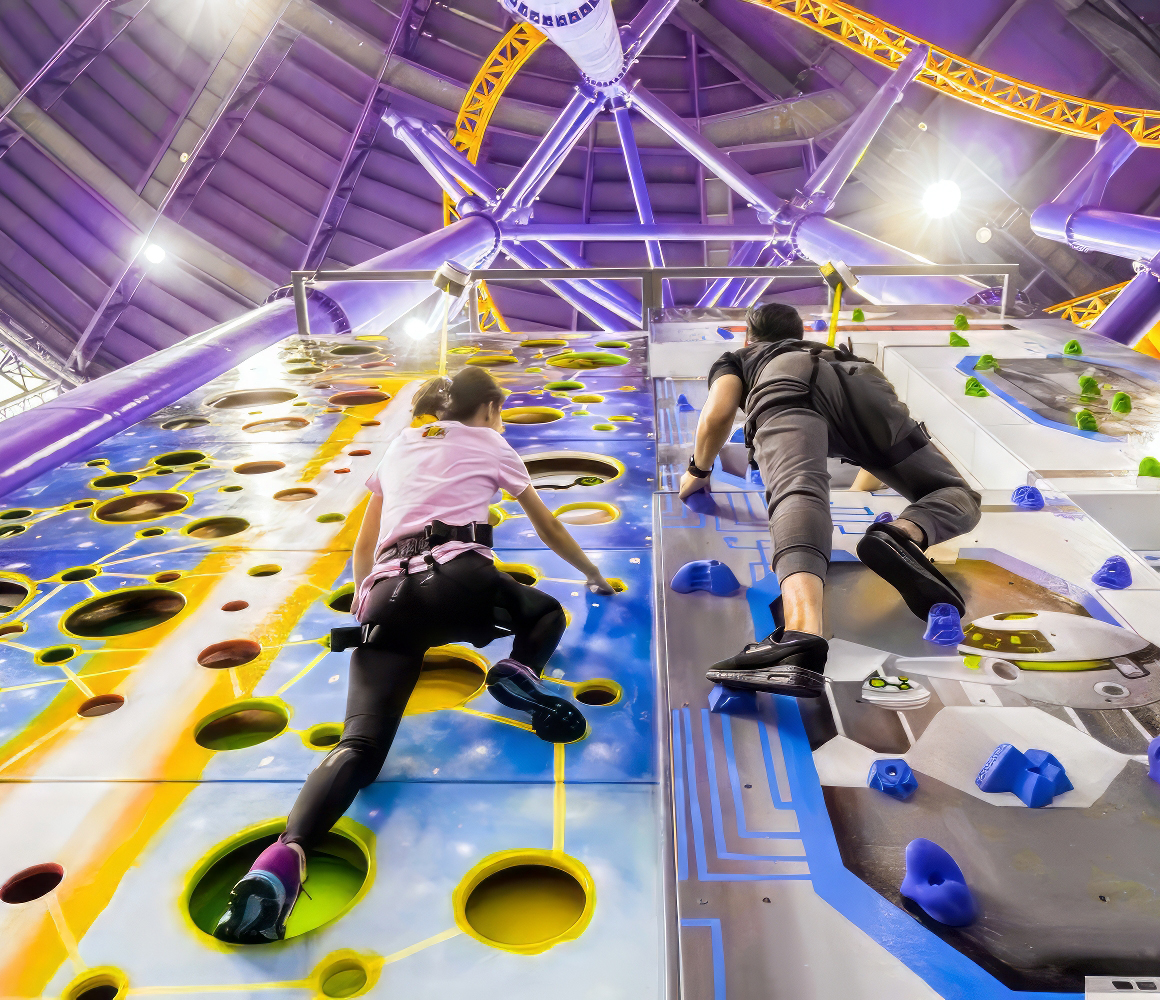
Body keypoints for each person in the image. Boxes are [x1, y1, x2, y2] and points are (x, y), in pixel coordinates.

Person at [214, 366, 615, 944]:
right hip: (462, 578)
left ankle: (281, 860)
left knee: (360, 745)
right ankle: (517, 669)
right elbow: (546, 523)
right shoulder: (493, 442)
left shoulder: (402, 444)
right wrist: (594, 573)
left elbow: (365, 539)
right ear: (490, 408)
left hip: (385, 596)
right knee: (544, 612)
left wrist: (363, 605)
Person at [679, 301, 981, 698]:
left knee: (798, 490)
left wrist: (697, 473)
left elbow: (717, 414)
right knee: (957, 493)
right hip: (864, 383)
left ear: (748, 335)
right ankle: (904, 534)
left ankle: (800, 639)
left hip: (788, 386)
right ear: (800, 332)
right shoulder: (831, 352)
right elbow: (878, 456)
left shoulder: (741, 356)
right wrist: (862, 487)